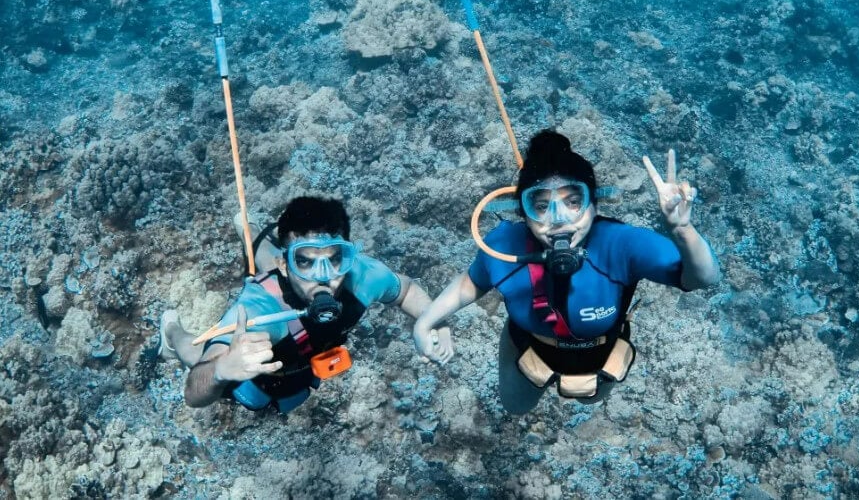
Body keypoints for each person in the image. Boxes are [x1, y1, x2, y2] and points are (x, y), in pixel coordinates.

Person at [412, 130, 721, 414]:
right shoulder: (504, 244)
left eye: (573, 202)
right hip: (527, 348)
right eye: (542, 206)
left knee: (592, 401)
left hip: (600, 357)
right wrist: (424, 323)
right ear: (524, 214)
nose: (559, 220)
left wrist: (682, 229)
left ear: (594, 206)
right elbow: (470, 284)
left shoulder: (622, 244)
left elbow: (703, 278)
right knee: (515, 408)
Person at [159, 196, 453, 412]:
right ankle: (171, 333)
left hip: (306, 360)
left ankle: (249, 230)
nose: (323, 278)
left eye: (334, 259)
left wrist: (432, 323)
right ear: (286, 265)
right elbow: (193, 395)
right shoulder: (255, 313)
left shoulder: (364, 276)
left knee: (274, 265)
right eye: (305, 261)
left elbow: (407, 291)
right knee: (194, 352)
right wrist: (222, 368)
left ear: (346, 255)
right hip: (259, 379)